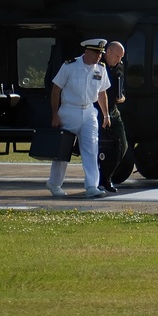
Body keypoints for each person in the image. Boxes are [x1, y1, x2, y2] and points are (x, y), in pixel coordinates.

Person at [47, 38, 111, 198]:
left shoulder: (101, 69)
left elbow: (102, 93)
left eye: (101, 53)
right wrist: (54, 115)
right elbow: (56, 90)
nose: (99, 56)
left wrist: (106, 115)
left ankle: (92, 186)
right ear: (87, 51)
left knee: (91, 150)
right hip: (69, 110)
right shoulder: (70, 66)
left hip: (89, 111)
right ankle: (54, 183)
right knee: (63, 150)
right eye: (96, 53)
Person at [99, 41, 127, 193]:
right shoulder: (98, 66)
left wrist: (121, 97)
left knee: (122, 146)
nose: (119, 59)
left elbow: (121, 87)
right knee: (101, 148)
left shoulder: (119, 67)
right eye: (117, 56)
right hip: (99, 111)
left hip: (114, 111)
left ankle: (107, 177)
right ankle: (99, 180)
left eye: (121, 57)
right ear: (107, 52)